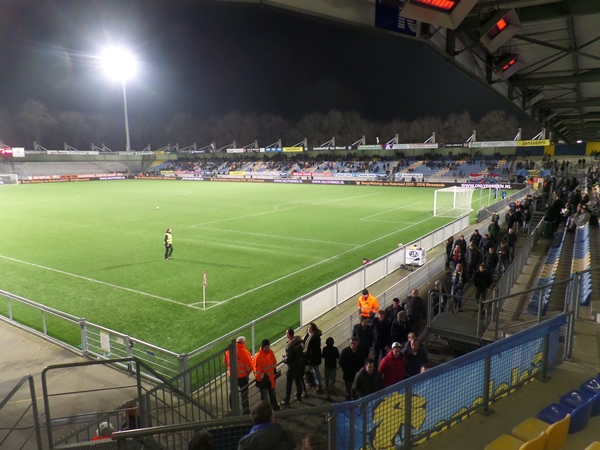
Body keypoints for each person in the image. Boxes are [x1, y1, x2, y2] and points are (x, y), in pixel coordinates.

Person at [224, 336, 253, 415]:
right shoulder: (244, 352)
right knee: (244, 394)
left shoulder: (228, 351)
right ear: (243, 342)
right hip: (242, 377)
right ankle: (246, 410)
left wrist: (230, 370)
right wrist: (247, 372)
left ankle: (232, 409)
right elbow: (249, 367)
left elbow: (225, 362)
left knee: (233, 392)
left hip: (232, 376)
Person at [253, 339, 280, 412]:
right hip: (263, 381)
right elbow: (257, 371)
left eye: (268, 346)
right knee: (265, 399)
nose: (268, 348)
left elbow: (274, 361)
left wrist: (274, 369)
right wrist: (265, 377)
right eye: (266, 347)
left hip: (271, 379)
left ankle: (275, 408)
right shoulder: (258, 356)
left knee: (272, 395)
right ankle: (266, 413)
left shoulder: (270, 352)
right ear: (262, 347)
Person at [280, 329, 305, 406]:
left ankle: (287, 401)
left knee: (289, 384)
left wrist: (284, 359)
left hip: (292, 368)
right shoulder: (299, 342)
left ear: (288, 335)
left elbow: (289, 359)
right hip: (299, 365)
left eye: (286, 334)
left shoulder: (290, 346)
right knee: (298, 382)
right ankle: (299, 397)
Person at [302, 322, 323, 393]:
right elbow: (304, 343)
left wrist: (308, 356)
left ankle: (319, 385)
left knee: (315, 371)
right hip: (308, 357)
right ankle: (312, 382)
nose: (309, 329)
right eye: (308, 327)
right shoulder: (307, 335)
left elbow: (314, 349)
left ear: (313, 329)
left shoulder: (315, 337)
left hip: (314, 358)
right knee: (310, 370)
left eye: (310, 328)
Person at [321, 337, 339, 401]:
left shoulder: (325, 348)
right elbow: (338, 356)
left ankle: (327, 388)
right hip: (333, 365)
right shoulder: (335, 349)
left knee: (327, 378)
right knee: (332, 379)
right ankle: (330, 389)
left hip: (327, 365)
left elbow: (323, 356)